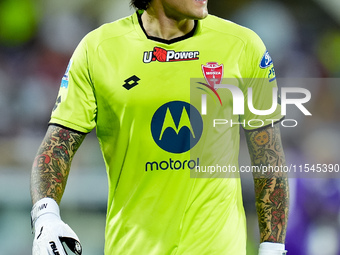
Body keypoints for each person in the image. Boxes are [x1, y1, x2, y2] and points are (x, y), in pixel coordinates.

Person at [30, 0, 289, 254]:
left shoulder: (243, 45)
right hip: (132, 248)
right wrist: (45, 215)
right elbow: (58, 144)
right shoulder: (98, 49)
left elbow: (269, 156)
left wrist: (273, 248)